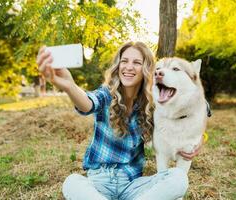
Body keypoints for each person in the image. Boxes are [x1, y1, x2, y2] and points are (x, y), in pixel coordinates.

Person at [37, 41, 202, 200]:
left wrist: (198, 139)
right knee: (72, 182)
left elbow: (186, 110)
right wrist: (70, 86)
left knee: (178, 178)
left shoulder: (153, 104)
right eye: (124, 61)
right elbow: (88, 103)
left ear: (146, 69)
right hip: (98, 183)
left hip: (131, 186)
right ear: (118, 66)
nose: (129, 67)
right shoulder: (107, 94)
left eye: (137, 62)